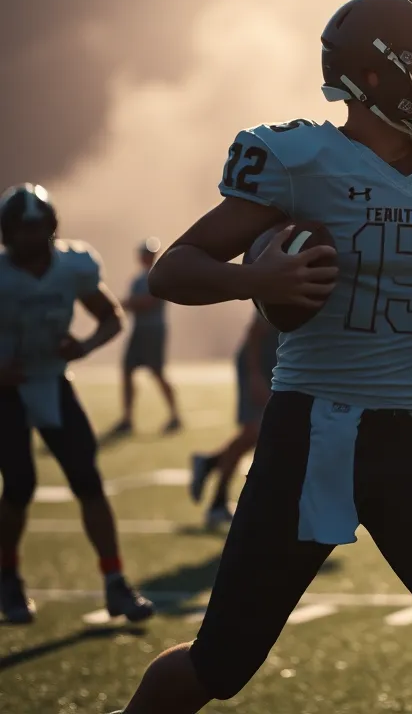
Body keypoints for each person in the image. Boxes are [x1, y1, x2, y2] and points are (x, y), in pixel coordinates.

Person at [115, 0, 412, 714]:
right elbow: (174, 269)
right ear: (372, 78)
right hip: (314, 432)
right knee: (222, 662)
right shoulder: (298, 161)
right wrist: (255, 278)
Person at [0, 183, 156, 625]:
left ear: (50, 228)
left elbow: (110, 317)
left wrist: (84, 348)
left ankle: (114, 582)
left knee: (88, 481)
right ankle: (8, 577)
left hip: (51, 380)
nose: (29, 238)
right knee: (19, 485)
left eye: (35, 228)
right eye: (20, 229)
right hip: (6, 391)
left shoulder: (72, 267)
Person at [188, 310, 278, 530]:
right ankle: (218, 502)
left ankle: (210, 464)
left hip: (280, 366)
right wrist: (255, 375)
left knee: (269, 434)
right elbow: (254, 332)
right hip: (257, 364)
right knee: (254, 432)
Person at [108, 237, 181, 437]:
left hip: (152, 331)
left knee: (157, 372)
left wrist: (129, 303)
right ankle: (127, 419)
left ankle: (175, 415)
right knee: (128, 370)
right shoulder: (139, 279)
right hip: (141, 330)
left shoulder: (159, 276)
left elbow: (150, 302)